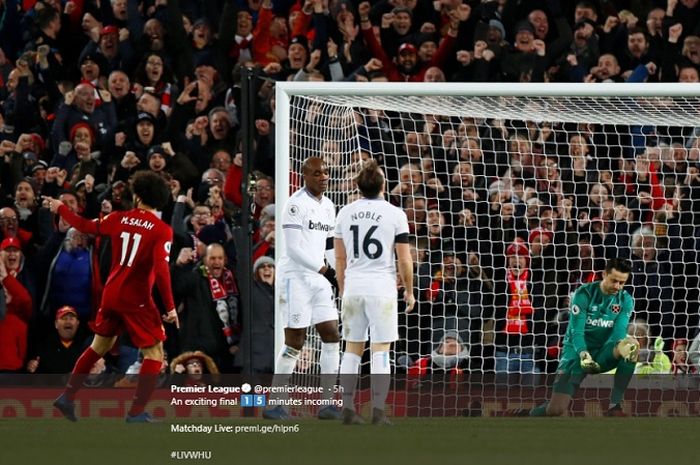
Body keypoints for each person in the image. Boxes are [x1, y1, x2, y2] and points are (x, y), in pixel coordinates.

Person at [43, 171, 179, 423]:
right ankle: (137, 413)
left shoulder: (118, 218)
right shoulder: (162, 230)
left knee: (99, 346)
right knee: (155, 353)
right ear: (160, 199)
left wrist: (61, 208)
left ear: (137, 196)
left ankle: (67, 397)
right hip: (135, 298)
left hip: (111, 293)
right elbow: (161, 271)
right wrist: (170, 307)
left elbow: (83, 225)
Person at [334, 159, 415, 425]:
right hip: (381, 288)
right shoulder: (395, 214)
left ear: (358, 186)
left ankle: (347, 406)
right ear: (383, 185)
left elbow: (340, 259)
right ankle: (378, 411)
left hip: (354, 286)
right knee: (380, 349)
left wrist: (344, 288)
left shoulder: (344, 213)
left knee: (352, 349)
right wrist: (410, 291)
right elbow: (404, 259)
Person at [263, 157, 341, 420]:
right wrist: (325, 271)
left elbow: (329, 245)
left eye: (326, 172)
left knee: (331, 334)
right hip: (295, 277)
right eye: (317, 173)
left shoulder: (329, 207)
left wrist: (336, 274)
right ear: (304, 176)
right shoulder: (295, 205)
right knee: (295, 341)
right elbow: (294, 249)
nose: (323, 177)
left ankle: (327, 404)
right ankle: (275, 403)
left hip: (319, 279)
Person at [510, 258, 638, 417]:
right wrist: (584, 354)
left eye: (622, 282)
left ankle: (615, 406)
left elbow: (619, 330)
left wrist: (620, 345)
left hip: (604, 352)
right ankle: (528, 414)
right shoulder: (584, 294)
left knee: (631, 344)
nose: (617, 287)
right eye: (614, 281)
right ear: (604, 274)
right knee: (555, 410)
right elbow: (577, 332)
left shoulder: (625, 299)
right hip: (577, 353)